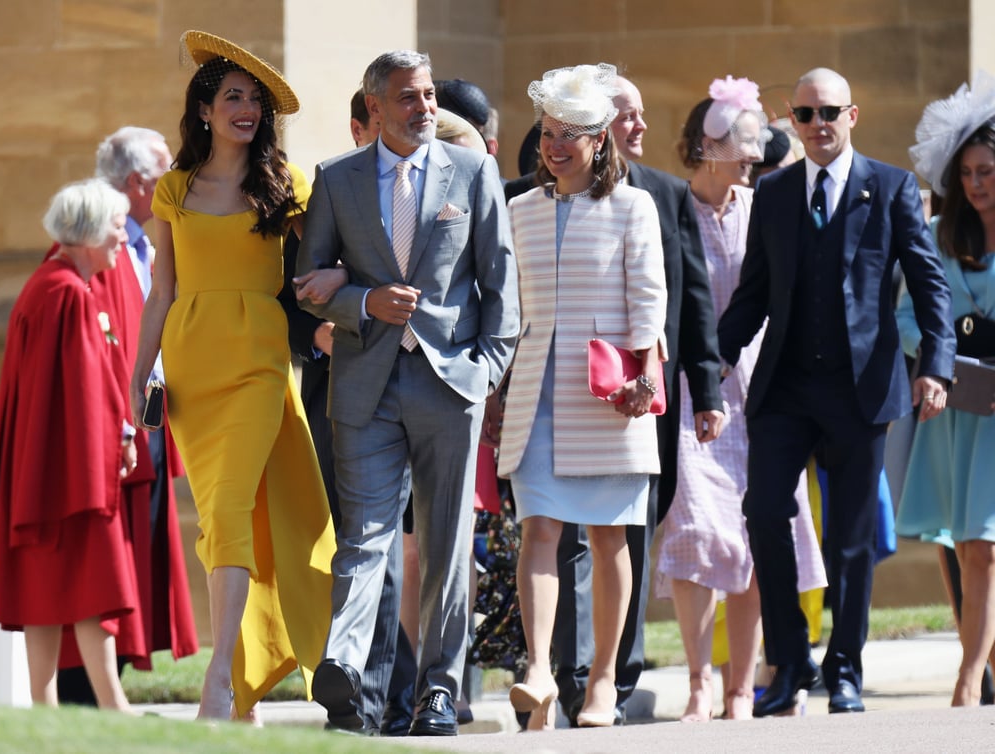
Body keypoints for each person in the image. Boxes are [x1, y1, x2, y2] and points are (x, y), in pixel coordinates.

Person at [717, 67, 956, 717]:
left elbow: (929, 284)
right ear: (791, 121)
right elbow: (754, 294)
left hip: (861, 390)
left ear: (853, 115)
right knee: (764, 510)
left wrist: (935, 363)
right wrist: (714, 355)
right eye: (804, 115)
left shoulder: (891, 187)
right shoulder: (773, 195)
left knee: (850, 539)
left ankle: (844, 668)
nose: (817, 125)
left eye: (829, 112)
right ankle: (790, 660)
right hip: (786, 389)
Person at [294, 49, 518, 737]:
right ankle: (345, 670)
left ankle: (439, 693)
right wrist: (364, 300)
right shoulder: (336, 178)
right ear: (375, 107)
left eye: (427, 96)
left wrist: (484, 372)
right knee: (363, 539)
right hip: (364, 387)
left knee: (446, 548)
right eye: (408, 98)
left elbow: (499, 285)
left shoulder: (473, 169)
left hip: (450, 384)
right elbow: (310, 287)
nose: (424, 108)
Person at [504, 72, 724, 724]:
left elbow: (650, 300)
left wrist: (647, 379)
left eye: (568, 136)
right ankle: (540, 669)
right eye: (547, 134)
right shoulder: (520, 209)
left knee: (608, 537)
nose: (554, 146)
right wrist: (496, 385)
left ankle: (603, 680)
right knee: (538, 528)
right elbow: (510, 308)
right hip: (537, 391)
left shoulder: (635, 207)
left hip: (609, 392)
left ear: (600, 142)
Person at [129, 30, 335, 721]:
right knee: (220, 516)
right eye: (233, 97)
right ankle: (240, 684)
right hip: (191, 365)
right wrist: (139, 375)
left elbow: (324, 265)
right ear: (206, 110)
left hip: (256, 362)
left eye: (255, 101)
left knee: (226, 509)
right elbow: (162, 289)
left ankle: (220, 676)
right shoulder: (173, 189)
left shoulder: (288, 183)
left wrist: (338, 288)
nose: (246, 109)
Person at [655, 77, 827, 722]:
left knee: (759, 534)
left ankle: (739, 688)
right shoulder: (671, 209)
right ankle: (699, 680)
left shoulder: (765, 209)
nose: (756, 151)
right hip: (694, 388)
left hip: (761, 386)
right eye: (744, 139)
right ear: (708, 143)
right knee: (697, 528)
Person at [280, 88, 418, 736]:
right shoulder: (321, 201)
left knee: (408, 552)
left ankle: (412, 691)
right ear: (359, 127)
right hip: (341, 399)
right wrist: (316, 335)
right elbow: (286, 301)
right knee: (367, 547)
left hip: (423, 393)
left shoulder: (431, 194)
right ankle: (369, 701)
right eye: (379, 125)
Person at [0, 178, 138, 711]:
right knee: (91, 586)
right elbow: (83, 395)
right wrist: (113, 451)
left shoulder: (55, 284)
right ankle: (111, 706)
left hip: (46, 468)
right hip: (73, 471)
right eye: (115, 227)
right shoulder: (65, 293)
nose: (121, 237)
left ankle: (50, 707)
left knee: (48, 591)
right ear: (89, 233)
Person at [58, 127, 200, 703]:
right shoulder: (100, 246)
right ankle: (87, 687)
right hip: (113, 430)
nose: (178, 176)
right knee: (108, 559)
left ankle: (109, 678)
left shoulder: (158, 240)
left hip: (153, 419)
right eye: (167, 167)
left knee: (138, 557)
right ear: (141, 182)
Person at [897, 70, 995, 706]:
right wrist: (942, 358)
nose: (977, 183)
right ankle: (980, 672)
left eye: (986, 170)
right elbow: (907, 316)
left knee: (982, 544)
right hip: (958, 408)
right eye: (967, 174)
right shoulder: (938, 238)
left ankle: (967, 681)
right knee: (963, 546)